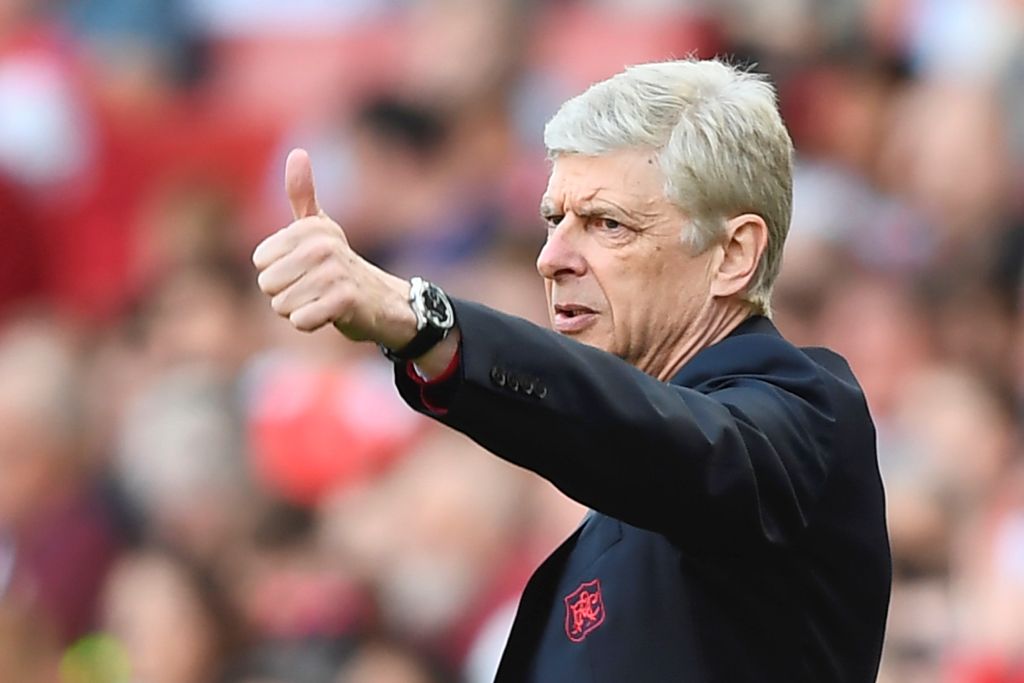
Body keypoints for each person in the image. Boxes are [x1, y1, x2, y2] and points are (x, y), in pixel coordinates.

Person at [252, 59, 891, 682]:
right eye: (554, 221)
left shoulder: (803, 421)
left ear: (732, 254)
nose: (551, 258)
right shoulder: (623, 483)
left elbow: (670, 441)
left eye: (606, 224)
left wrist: (424, 320)